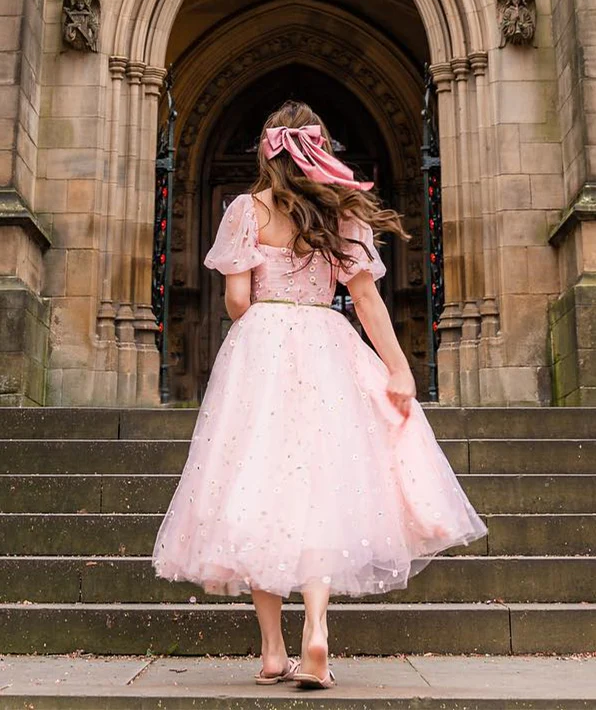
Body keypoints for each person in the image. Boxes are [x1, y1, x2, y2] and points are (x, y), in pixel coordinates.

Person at [152, 100, 488, 689]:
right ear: (320, 150)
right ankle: (317, 632)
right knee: (320, 485)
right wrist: (399, 369)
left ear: (267, 150)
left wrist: (262, 310)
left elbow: (235, 302)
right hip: (328, 343)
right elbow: (366, 300)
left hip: (261, 345)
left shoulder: (244, 209)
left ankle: (273, 652)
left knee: (258, 484)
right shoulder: (342, 216)